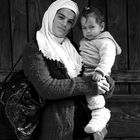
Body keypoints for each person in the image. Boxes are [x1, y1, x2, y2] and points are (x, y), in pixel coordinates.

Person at [22, 0, 115, 140]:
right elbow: (47, 88)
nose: (65, 23)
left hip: (87, 128)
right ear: (50, 15)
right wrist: (90, 84)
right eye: (60, 17)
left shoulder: (72, 47)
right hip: (58, 130)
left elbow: (90, 72)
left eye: (70, 21)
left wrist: (106, 83)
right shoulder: (35, 48)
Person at [79, 7, 121, 134]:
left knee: (92, 89)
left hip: (96, 72)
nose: (87, 31)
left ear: (101, 26)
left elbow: (108, 58)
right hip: (85, 71)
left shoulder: (105, 41)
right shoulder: (86, 41)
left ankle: (99, 112)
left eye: (91, 27)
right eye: (84, 28)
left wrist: (100, 71)